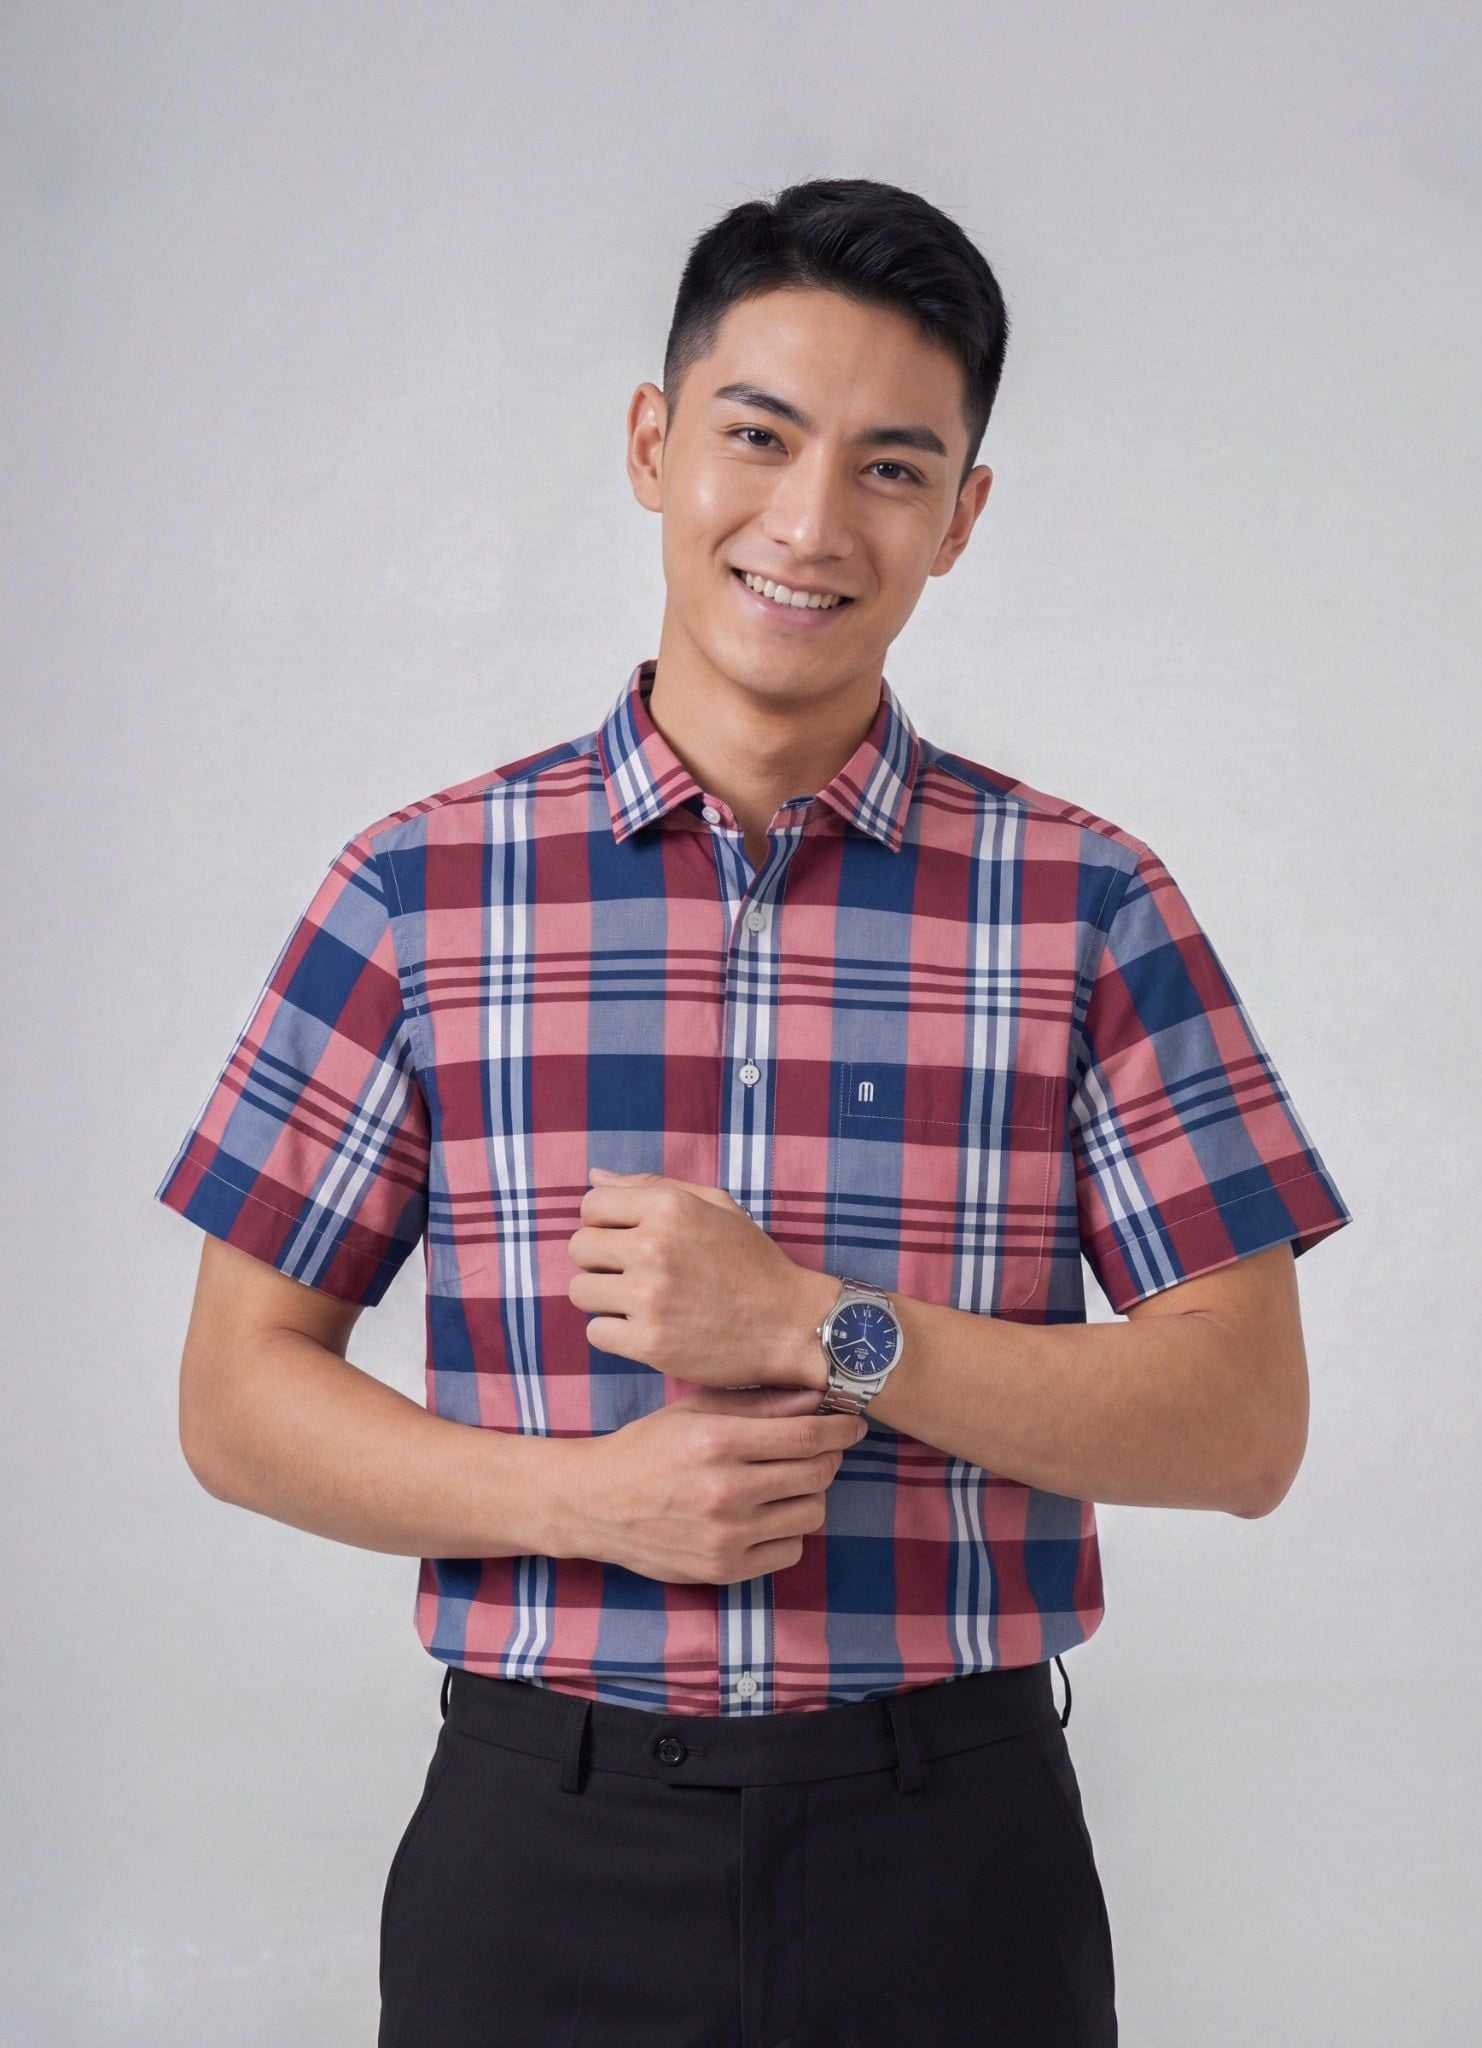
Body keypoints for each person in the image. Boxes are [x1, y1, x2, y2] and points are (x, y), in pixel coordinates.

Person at [153, 177, 1352, 2047]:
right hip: (539, 1850)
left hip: (952, 1857)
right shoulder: (417, 891)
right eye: (760, 435)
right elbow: (235, 1398)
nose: (808, 522)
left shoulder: (1087, 904)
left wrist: (817, 1327)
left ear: (959, 517)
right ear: (655, 444)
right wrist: (578, 1500)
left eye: (890, 467)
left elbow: (1243, 1424)